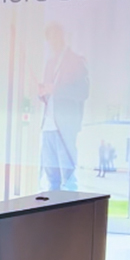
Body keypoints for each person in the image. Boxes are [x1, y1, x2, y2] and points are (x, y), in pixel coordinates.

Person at [38, 23, 89, 191]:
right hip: (48, 126)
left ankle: (70, 207)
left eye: (56, 37)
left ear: (62, 37)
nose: (53, 42)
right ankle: (53, 207)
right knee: (51, 178)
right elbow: (49, 94)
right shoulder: (50, 63)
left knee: (68, 179)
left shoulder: (76, 61)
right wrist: (43, 93)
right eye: (50, 39)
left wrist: (56, 89)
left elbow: (83, 91)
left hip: (65, 128)